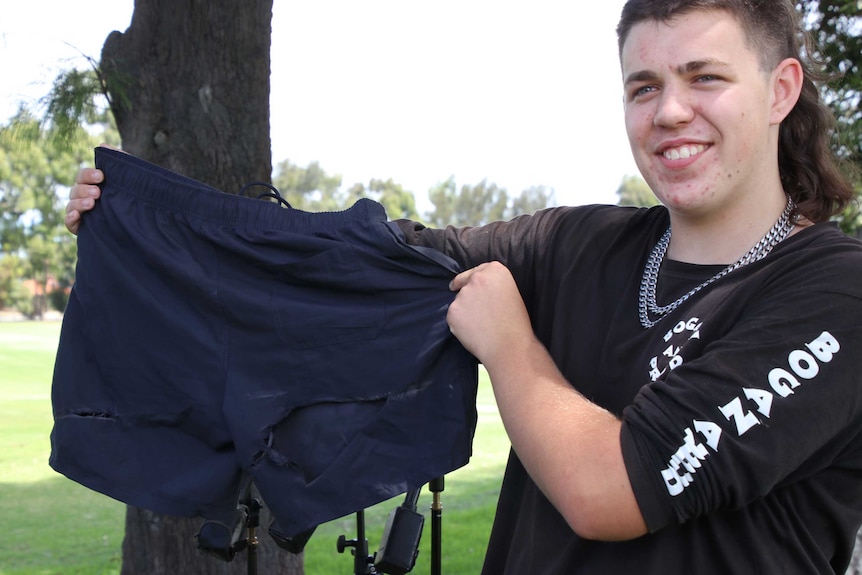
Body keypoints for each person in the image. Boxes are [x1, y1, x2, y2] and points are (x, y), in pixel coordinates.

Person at [66, 0, 862, 573]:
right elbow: (364, 257)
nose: (670, 111)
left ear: (781, 90)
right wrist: (145, 220)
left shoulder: (836, 294)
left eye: (705, 76)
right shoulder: (581, 244)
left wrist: (509, 343)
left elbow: (612, 489)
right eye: (643, 86)